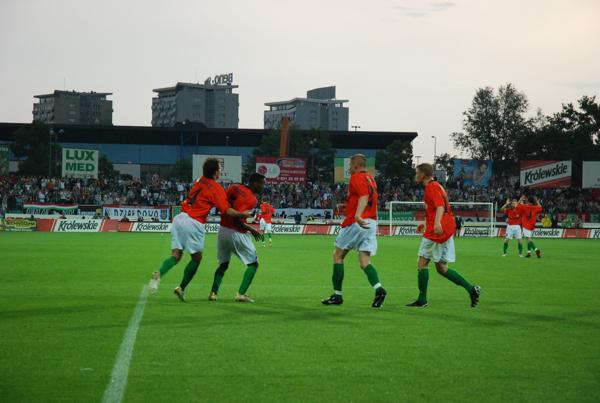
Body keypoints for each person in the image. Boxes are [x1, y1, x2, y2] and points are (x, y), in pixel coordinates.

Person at [148, 158, 249, 302]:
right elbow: (226, 210)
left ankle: (159, 273)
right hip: (194, 222)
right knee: (196, 258)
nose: (220, 171)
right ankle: (181, 288)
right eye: (219, 169)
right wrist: (241, 214)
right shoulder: (216, 188)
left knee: (176, 255)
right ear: (215, 173)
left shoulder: (199, 180)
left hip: (180, 218)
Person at [406, 163, 481, 308]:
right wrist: (426, 223)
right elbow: (435, 209)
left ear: (423, 174)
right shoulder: (438, 186)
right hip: (445, 228)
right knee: (441, 268)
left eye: (417, 172)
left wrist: (436, 223)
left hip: (438, 231)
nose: (415, 175)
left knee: (422, 263)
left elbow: (440, 206)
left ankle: (422, 300)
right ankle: (472, 289)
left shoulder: (431, 187)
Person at [321, 154, 387, 308]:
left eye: (350, 165)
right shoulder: (371, 179)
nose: (349, 168)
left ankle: (337, 295)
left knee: (338, 256)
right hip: (371, 222)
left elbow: (364, 196)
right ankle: (379, 289)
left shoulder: (357, 177)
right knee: (364, 261)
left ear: (356, 166)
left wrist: (357, 214)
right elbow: (367, 198)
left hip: (357, 222)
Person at [209, 173, 266, 303]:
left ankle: (213, 293)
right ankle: (241, 294)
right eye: (262, 183)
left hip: (222, 230)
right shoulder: (251, 199)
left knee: (223, 265)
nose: (263, 186)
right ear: (255, 183)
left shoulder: (233, 187)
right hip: (237, 233)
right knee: (253, 264)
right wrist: (252, 230)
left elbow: (224, 206)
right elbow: (237, 219)